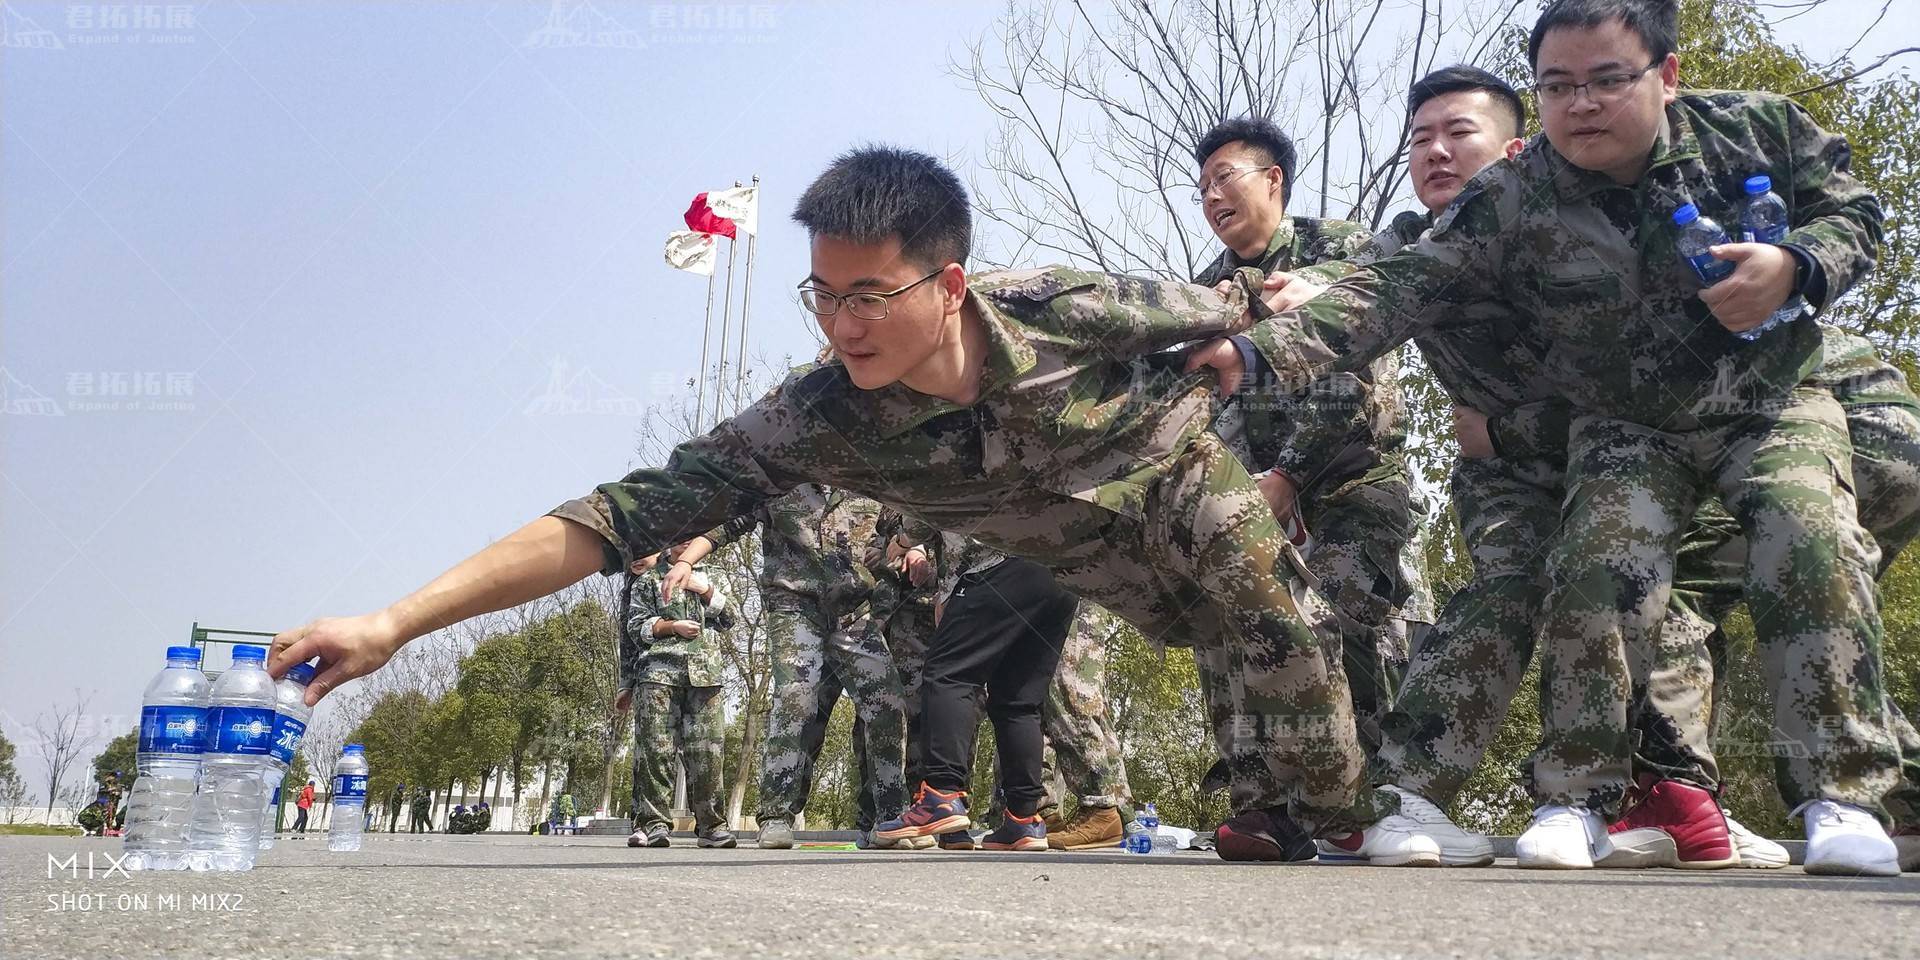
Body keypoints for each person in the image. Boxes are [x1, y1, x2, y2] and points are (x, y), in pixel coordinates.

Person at [267, 144, 1442, 866]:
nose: (843, 324)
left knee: (1269, 619)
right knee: (1212, 646)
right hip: (1111, 574)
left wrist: (1297, 308)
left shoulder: (1064, 306)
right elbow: (615, 515)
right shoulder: (822, 414)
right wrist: (394, 623)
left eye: (870, 294)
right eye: (822, 295)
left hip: (1190, 492)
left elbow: (1240, 304)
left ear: (950, 282)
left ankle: (1349, 812)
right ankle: (1291, 801)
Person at [1191, 0, 1900, 874]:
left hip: (1757, 402)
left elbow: (1855, 211)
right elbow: (1391, 286)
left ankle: (1835, 796)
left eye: (1608, 80)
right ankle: (1573, 801)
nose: (1584, 104)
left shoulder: (1751, 133)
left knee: (1806, 538)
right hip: (1615, 435)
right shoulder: (1504, 205)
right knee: (1592, 576)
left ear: (1664, 75)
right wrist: (1253, 350)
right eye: (1559, 85)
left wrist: (1798, 265)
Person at [668, 485, 911, 850]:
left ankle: (891, 817)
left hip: (854, 612)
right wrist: (687, 561)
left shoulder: (866, 480)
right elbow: (728, 524)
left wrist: (914, 546)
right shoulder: (781, 483)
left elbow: (906, 520)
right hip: (794, 606)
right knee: (795, 698)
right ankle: (776, 816)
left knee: (888, 702)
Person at [616, 550, 735, 849]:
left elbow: (729, 618)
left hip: (706, 676)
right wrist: (669, 627)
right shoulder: (649, 580)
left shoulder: (714, 574)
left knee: (707, 753)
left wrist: (704, 589)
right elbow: (635, 627)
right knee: (656, 751)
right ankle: (654, 823)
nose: (684, 541)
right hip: (658, 674)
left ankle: (711, 826)